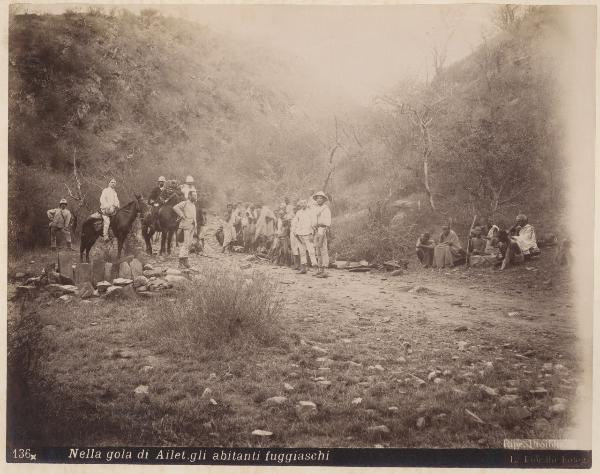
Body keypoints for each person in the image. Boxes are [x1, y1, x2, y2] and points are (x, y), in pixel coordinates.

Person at [173, 189, 197, 269]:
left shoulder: (193, 205)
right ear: (190, 196)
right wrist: (182, 215)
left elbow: (194, 216)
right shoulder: (185, 203)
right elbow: (175, 207)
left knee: (189, 244)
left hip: (192, 226)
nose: (195, 197)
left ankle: (185, 260)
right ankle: (181, 261)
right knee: (186, 243)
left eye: (196, 195)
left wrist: (195, 224)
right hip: (186, 226)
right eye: (194, 195)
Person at [293, 199, 317, 274]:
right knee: (302, 251)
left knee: (311, 251)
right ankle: (303, 268)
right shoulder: (298, 212)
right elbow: (295, 223)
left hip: (308, 233)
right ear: (300, 205)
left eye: (304, 203)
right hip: (299, 234)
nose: (303, 205)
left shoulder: (310, 212)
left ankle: (315, 268)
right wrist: (295, 232)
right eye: (301, 204)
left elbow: (313, 223)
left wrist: (312, 233)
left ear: (306, 204)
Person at [312, 191, 331, 277]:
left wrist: (324, 228)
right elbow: (313, 220)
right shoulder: (316, 208)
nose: (319, 199)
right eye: (318, 198)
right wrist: (313, 226)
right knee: (317, 250)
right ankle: (320, 269)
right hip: (316, 230)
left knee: (323, 249)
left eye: (321, 198)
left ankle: (325, 269)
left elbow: (328, 221)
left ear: (324, 200)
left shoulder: (325, 209)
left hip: (322, 229)